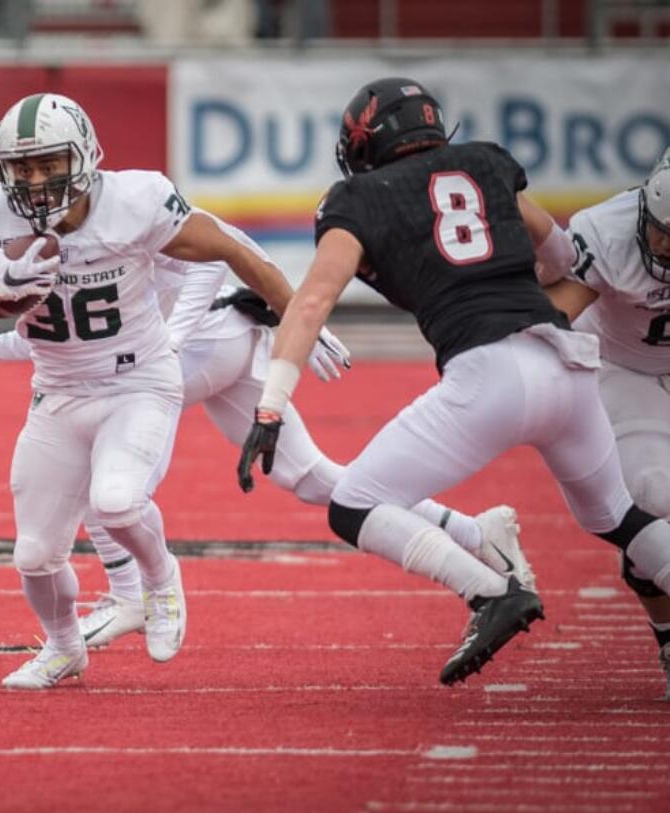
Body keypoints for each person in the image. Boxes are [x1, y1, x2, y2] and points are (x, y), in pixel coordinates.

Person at [0, 122, 536, 649]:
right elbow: (59, 334)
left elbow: (220, 255)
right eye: (17, 177)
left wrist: (181, 338)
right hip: (224, 339)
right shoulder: (41, 233)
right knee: (310, 477)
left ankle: (130, 597)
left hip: (201, 342)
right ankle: (474, 533)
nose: (28, 196)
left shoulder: (118, 207)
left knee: (97, 464)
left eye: (36, 172)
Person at [239, 77, 670, 688]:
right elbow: (562, 253)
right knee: (618, 518)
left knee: (353, 505)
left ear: (365, 145)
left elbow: (311, 303)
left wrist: (271, 406)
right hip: (566, 365)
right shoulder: (487, 162)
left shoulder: (356, 199)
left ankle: (489, 590)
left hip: (488, 374)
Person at [0, 93, 299, 689]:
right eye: (22, 168)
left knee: (116, 501)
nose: (34, 181)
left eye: (49, 163)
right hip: (57, 390)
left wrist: (300, 318)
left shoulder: (133, 201)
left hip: (138, 379)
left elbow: (230, 248)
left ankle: (161, 580)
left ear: (83, 156)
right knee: (32, 556)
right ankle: (63, 648)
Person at [537, 146, 670, 698]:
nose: (665, 246)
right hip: (624, 368)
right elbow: (553, 312)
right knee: (651, 496)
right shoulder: (608, 232)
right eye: (661, 231)